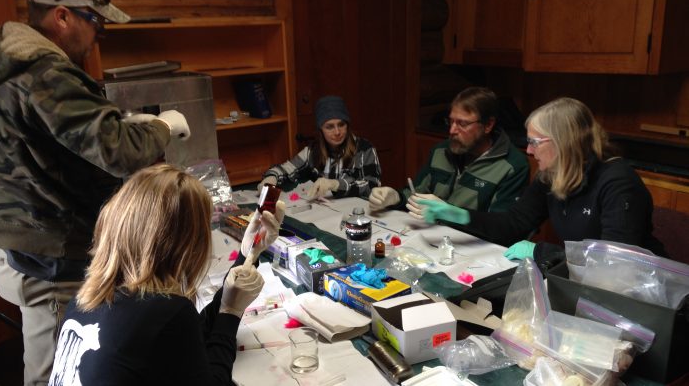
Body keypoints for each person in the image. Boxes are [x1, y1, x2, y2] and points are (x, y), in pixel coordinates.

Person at [0, 0, 190, 383]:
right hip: (53, 259)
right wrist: (163, 127)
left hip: (22, 239)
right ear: (62, 16)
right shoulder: (45, 73)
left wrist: (117, 123)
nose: (97, 33)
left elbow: (48, 143)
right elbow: (120, 151)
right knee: (58, 374)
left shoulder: (6, 63)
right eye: (93, 20)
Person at [47, 164, 285, 385]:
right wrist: (230, 314)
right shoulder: (166, 311)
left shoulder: (87, 298)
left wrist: (249, 254)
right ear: (182, 243)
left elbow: (187, 340)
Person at [418, 97, 665, 263]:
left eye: (535, 142)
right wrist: (458, 215)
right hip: (582, 281)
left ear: (564, 142)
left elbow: (612, 262)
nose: (528, 151)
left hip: (635, 295)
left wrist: (540, 251)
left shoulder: (618, 184)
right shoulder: (552, 176)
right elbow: (514, 224)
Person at [368, 86, 529, 218]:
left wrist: (451, 215)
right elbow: (416, 192)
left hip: (474, 248)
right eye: (451, 121)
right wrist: (395, 197)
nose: (452, 130)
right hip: (432, 237)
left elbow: (501, 227)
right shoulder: (441, 150)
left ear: (488, 125)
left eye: (462, 124)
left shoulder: (512, 165)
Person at [258, 95, 381, 199]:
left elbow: (373, 187)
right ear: (320, 129)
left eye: (341, 124)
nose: (337, 132)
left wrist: (336, 184)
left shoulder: (365, 149)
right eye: (330, 127)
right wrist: (271, 177)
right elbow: (286, 169)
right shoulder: (312, 151)